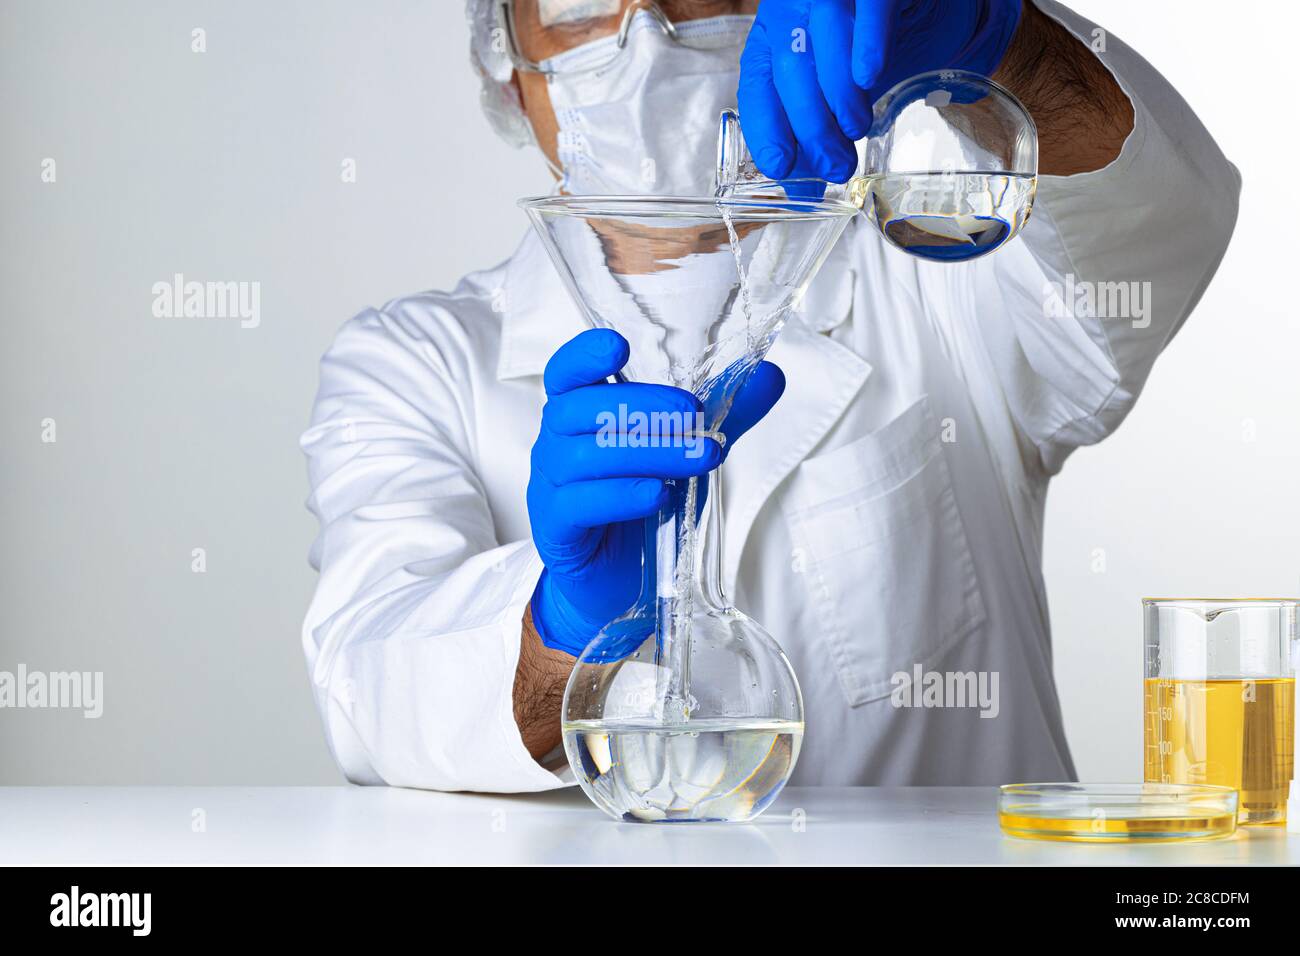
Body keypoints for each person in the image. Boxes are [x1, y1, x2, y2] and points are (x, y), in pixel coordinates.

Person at [300, 0, 1239, 790]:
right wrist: (561, 628)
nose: (650, 32)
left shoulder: (950, 277)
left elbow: (1157, 223)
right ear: (506, 61)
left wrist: (994, 36)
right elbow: (367, 687)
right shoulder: (414, 359)